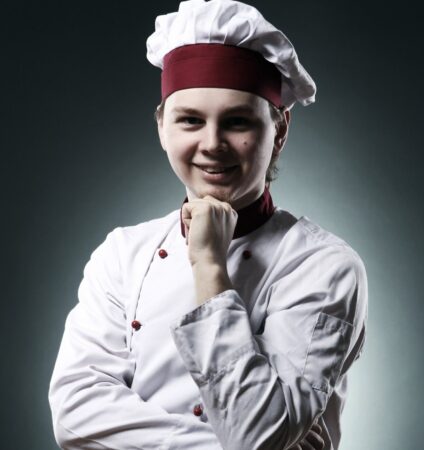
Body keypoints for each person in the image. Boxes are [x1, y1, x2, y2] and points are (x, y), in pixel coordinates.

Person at [48, 1, 368, 449]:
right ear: (163, 128)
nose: (212, 144)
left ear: (280, 130)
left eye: (237, 121)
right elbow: (75, 413)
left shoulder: (325, 266)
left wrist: (209, 266)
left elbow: (256, 434)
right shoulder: (122, 255)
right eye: (190, 120)